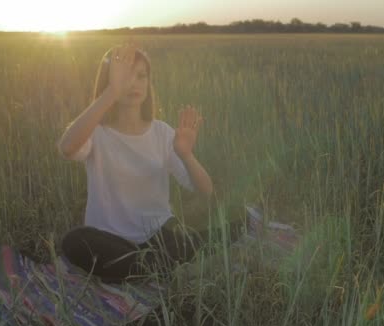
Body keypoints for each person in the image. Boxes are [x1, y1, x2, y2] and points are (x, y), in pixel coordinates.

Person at [56, 42, 247, 284]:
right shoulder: (97, 133)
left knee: (238, 217)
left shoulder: (162, 133)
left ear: (148, 83)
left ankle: (150, 268)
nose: (133, 84)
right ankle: (166, 267)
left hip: (159, 233)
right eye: (125, 77)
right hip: (109, 240)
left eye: (140, 76)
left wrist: (186, 154)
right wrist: (111, 93)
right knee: (74, 241)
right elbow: (67, 148)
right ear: (110, 82)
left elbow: (205, 190)